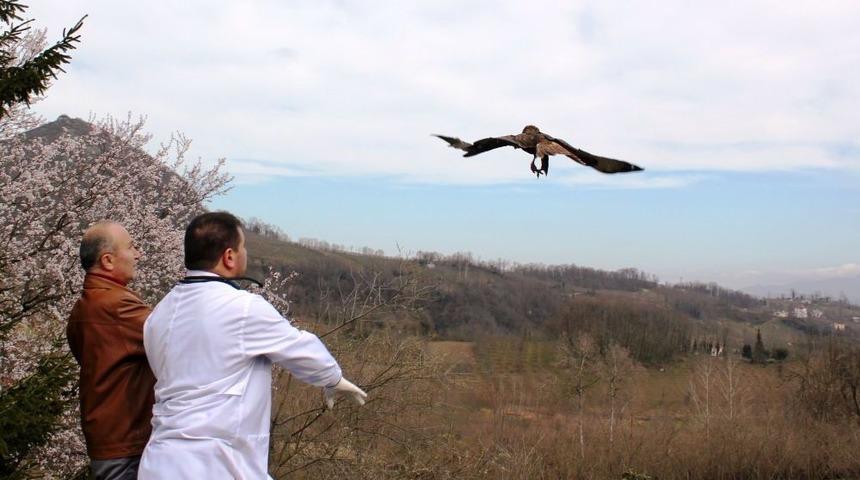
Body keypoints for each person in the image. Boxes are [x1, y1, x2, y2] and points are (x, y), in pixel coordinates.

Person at [139, 212, 366, 478]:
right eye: (243, 246)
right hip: (214, 462)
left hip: (158, 461)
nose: (245, 252)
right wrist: (333, 378)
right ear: (229, 257)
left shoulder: (158, 315)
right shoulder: (243, 308)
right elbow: (301, 349)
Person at [66, 221, 155, 480]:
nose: (138, 254)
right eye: (131, 247)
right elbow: (172, 337)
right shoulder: (116, 305)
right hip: (126, 441)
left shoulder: (83, 307)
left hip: (109, 437)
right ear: (107, 260)